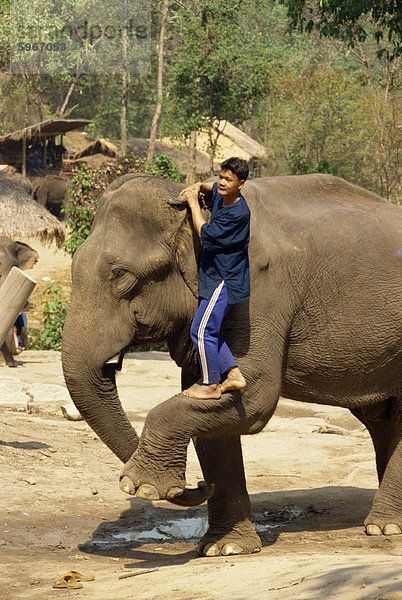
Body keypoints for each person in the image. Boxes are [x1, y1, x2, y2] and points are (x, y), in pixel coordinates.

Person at [180, 157, 250, 399]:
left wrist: (193, 204)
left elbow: (206, 234)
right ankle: (233, 374)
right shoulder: (223, 194)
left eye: (228, 180)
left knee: (201, 331)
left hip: (224, 278)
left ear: (241, 184)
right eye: (220, 176)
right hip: (213, 275)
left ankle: (210, 384)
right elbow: (212, 188)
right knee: (207, 330)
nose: (221, 182)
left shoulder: (238, 213)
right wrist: (200, 185)